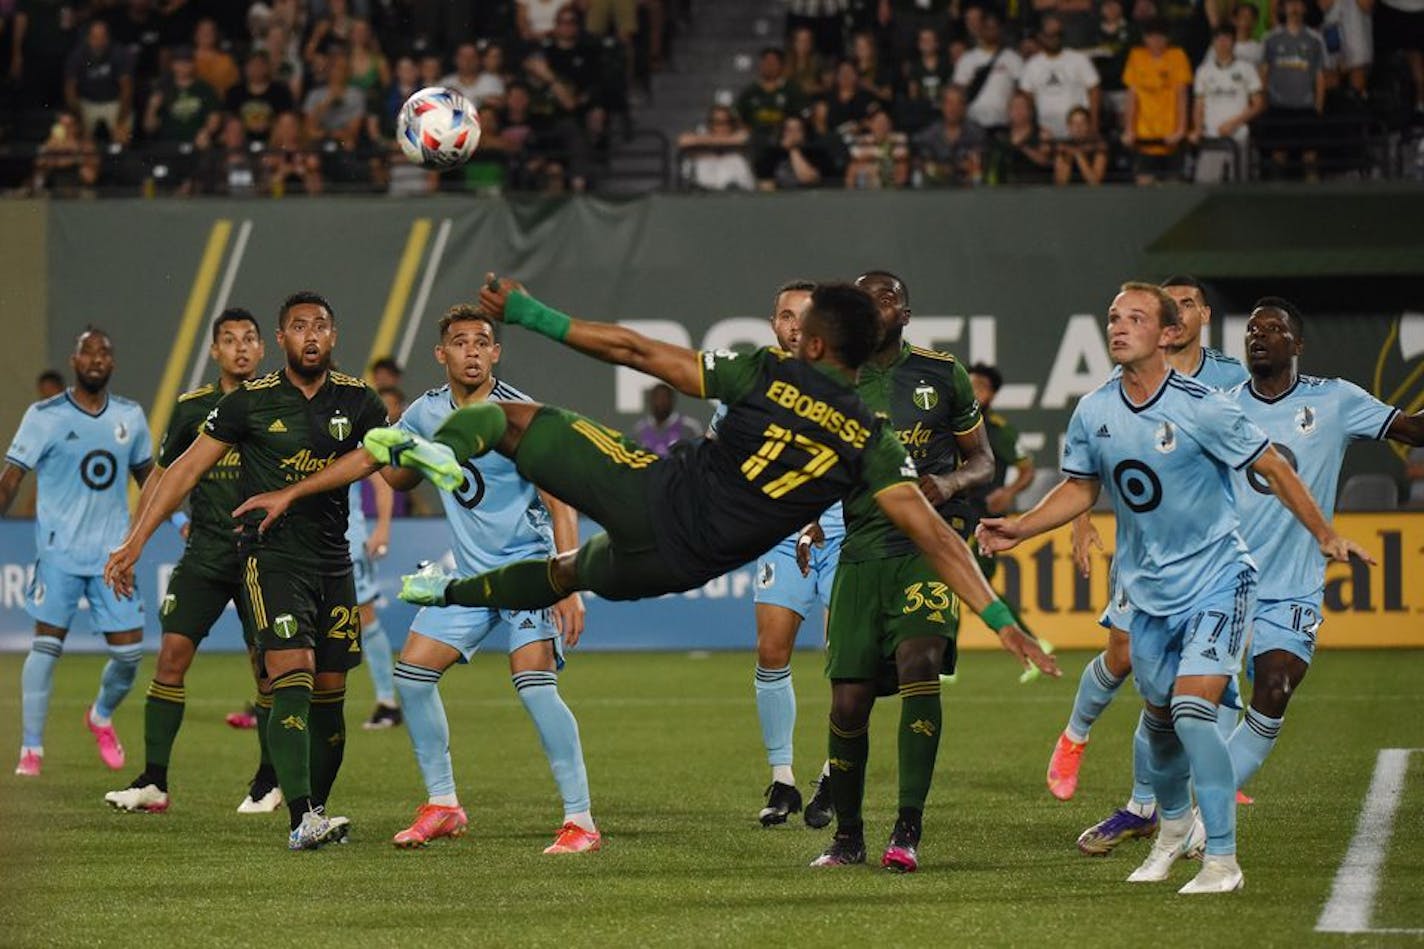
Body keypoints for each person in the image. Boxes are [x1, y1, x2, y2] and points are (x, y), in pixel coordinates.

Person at [369, 283, 1056, 740]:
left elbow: (638, 352)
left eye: (802, 326)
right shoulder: (870, 444)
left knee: (506, 416)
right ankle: (448, 588)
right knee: (563, 575)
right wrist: (1003, 621)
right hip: (680, 563)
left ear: (814, 345)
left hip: (648, 493)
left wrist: (531, 314)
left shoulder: (765, 371)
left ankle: (441, 454)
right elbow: (937, 536)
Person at [978, 282, 1370, 894]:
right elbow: (1082, 488)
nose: (1118, 326)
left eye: (1135, 318)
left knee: (1191, 711)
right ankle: (1169, 831)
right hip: (1149, 591)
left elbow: (1271, 465)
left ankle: (1221, 860)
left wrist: (1323, 533)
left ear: (1166, 334)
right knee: (1159, 723)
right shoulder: (1094, 410)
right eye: (1112, 316)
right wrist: (1021, 528)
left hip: (1219, 579)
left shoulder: (1203, 405)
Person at [231, 304, 600, 854]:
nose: (471, 351)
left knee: (534, 684)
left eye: (482, 342)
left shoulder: (519, 413)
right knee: (413, 675)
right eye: (460, 342)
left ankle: (581, 821)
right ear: (441, 353)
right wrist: (291, 492)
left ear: (496, 352)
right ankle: (444, 804)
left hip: (529, 570)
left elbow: (558, 495)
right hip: (472, 576)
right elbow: (375, 462)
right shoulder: (426, 413)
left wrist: (568, 582)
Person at [104, 291, 388, 851]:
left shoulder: (359, 401)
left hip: (334, 561)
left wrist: (417, 460)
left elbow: (386, 462)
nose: (310, 335)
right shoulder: (248, 404)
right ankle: (298, 815)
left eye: (320, 326)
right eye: (298, 326)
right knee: (292, 674)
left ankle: (314, 807)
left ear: (334, 337)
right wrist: (135, 541)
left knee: (331, 692)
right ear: (281, 340)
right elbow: (181, 471)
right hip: (270, 559)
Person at [802, 269, 998, 873]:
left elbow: (983, 459)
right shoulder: (835, 379)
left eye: (886, 296)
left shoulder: (942, 373)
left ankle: (907, 828)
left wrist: (951, 481)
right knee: (849, 701)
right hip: (861, 549)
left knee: (921, 663)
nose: (874, 304)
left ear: (906, 314)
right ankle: (848, 838)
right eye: (864, 297)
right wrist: (810, 517)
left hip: (927, 546)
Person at [1052, 275, 1249, 823]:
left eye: (1189, 304)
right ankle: (1078, 737)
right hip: (1147, 559)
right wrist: (1081, 520)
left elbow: (1260, 453)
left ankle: (1186, 797)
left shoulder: (1230, 381)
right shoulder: (1110, 395)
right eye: (1120, 317)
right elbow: (1090, 467)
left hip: (1217, 554)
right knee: (1126, 663)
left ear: (1201, 315)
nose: (1181, 314)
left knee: (1207, 682)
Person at [1223, 299, 1423, 791]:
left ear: (1297, 345)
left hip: (1292, 586)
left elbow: (1416, 431)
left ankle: (1205, 810)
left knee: (1274, 688)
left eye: (1273, 329)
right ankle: (1158, 807)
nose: (1258, 336)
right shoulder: (1222, 407)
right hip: (1222, 584)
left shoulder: (1335, 400)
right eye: (1252, 329)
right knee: (1184, 709)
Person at [102, 310, 280, 814]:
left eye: (249, 339)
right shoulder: (192, 409)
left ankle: (269, 780)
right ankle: (154, 782)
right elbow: (162, 479)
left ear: (263, 349)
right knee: (171, 658)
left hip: (264, 558)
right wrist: (133, 541)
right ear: (215, 352)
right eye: (230, 340)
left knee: (266, 672)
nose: (241, 348)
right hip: (205, 554)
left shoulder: (278, 403)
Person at [710, 281, 842, 827]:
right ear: (773, 324)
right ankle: (783, 779)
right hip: (782, 536)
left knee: (848, 661)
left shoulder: (846, 380)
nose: (794, 325)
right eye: (785, 315)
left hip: (845, 533)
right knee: (771, 651)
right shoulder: (746, 385)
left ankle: (838, 771)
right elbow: (723, 452)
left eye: (804, 316)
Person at [2, 328, 153, 778]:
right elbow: (12, 479)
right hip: (59, 553)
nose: (96, 358)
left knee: (128, 657)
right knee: (46, 646)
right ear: (74, 360)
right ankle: (31, 748)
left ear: (112, 364)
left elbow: (151, 481)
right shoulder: (44, 415)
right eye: (88, 350)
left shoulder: (130, 416)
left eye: (104, 352)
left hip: (114, 558)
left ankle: (100, 715)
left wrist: (180, 521)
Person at [349, 474, 397, 729]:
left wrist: (383, 527)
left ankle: (387, 702)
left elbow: (383, 480)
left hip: (348, 542)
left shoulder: (354, 434)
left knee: (363, 617)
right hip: (304, 542)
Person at [1190, 24, 1264, 183]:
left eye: (1227, 39)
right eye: (1218, 39)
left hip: (1238, 138)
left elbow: (1258, 104)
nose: (1222, 43)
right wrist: (1197, 129)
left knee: (1238, 187)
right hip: (1211, 138)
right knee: (1204, 185)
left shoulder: (1247, 68)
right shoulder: (1203, 71)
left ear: (1234, 41)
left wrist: (1234, 123)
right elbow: (1198, 105)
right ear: (1213, 42)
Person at [1122, 20, 1192, 184]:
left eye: (1160, 37)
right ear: (1145, 38)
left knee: (1173, 185)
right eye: (1151, 37)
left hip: (1170, 136)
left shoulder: (1177, 56)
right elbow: (1131, 96)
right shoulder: (1136, 56)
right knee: (1144, 183)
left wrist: (1181, 130)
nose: (1156, 41)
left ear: (1167, 38)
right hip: (1144, 135)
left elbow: (1182, 95)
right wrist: (1129, 130)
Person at [1018, 15, 1102, 140]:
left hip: (1078, 132)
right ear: (1040, 36)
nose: (1055, 39)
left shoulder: (1079, 59)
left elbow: (1094, 90)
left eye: (1058, 34)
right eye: (1050, 35)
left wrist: (1094, 125)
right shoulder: (1032, 65)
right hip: (1046, 134)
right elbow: (1026, 98)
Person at [631, 383, 702, 457]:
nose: (660, 402)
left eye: (664, 398)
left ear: (672, 400)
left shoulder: (689, 428)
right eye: (656, 398)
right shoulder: (639, 430)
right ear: (650, 401)